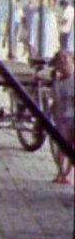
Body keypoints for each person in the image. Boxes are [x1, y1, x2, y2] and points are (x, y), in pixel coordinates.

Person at [50, 50, 74, 185]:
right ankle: (61, 171)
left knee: (71, 146)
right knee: (62, 145)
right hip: (63, 117)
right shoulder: (58, 83)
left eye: (66, 61)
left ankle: (68, 173)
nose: (64, 64)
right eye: (61, 62)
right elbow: (55, 101)